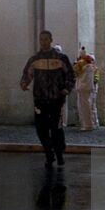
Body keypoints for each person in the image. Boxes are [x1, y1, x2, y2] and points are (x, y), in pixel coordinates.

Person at [20, 30, 75, 166]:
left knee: (56, 128)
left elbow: (70, 75)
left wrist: (66, 89)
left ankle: (59, 152)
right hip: (40, 99)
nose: (43, 42)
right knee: (41, 128)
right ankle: (48, 153)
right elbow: (27, 73)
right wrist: (24, 83)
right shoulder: (35, 59)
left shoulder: (61, 58)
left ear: (51, 40)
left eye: (46, 39)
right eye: (41, 39)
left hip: (56, 99)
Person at [73, 46, 97, 131]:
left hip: (82, 87)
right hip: (89, 87)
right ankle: (89, 123)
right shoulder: (90, 63)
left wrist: (75, 63)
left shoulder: (81, 62)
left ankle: (87, 125)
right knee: (88, 106)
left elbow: (75, 72)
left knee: (83, 107)